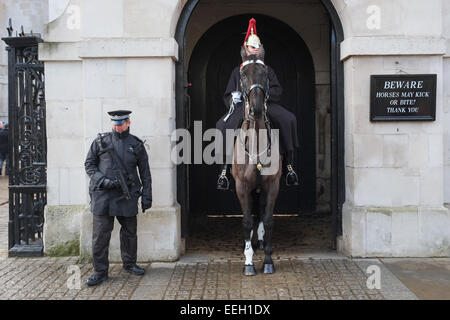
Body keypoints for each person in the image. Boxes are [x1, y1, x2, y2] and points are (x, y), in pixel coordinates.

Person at [216, 18, 299, 190]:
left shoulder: (267, 70)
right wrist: (234, 98)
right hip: (243, 107)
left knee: (289, 119)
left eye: (256, 47)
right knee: (221, 125)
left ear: (260, 50)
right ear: (245, 49)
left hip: (266, 104)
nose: (254, 50)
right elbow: (227, 94)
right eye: (251, 47)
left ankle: (289, 167)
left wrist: (264, 95)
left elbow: (277, 89)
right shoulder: (237, 71)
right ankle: (225, 171)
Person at [84, 110, 152, 286]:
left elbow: (145, 173)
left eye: (121, 123)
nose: (117, 126)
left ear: (128, 123)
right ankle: (100, 272)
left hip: (127, 195)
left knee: (129, 233)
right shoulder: (100, 142)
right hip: (103, 196)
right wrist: (102, 180)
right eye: (114, 123)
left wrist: (147, 196)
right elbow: (89, 165)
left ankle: (129, 264)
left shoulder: (136, 145)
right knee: (100, 236)